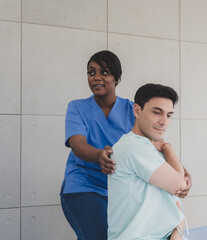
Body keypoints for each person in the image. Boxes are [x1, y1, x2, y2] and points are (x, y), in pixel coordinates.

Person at [60, 50, 191, 240]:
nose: (96, 77)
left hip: (119, 188)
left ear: (117, 78)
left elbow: (157, 144)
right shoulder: (77, 107)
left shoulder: (132, 109)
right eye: (91, 72)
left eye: (104, 72)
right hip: (84, 185)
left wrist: (183, 174)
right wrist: (99, 155)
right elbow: (77, 144)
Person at [108, 83, 188, 240]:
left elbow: (176, 201)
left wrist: (177, 233)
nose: (164, 122)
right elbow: (180, 185)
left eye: (169, 115)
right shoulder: (134, 147)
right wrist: (168, 148)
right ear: (137, 110)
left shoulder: (149, 148)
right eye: (157, 113)